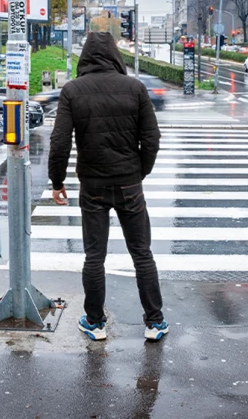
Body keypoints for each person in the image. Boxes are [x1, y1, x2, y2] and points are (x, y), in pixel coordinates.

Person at [48, 32, 168, 342]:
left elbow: (59, 141)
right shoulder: (135, 88)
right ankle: (154, 322)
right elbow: (152, 139)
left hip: (93, 187)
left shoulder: (73, 91)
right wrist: (138, 172)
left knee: (94, 257)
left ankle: (95, 322)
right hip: (129, 184)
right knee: (142, 254)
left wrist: (57, 181)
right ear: (116, 55)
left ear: (85, 57)